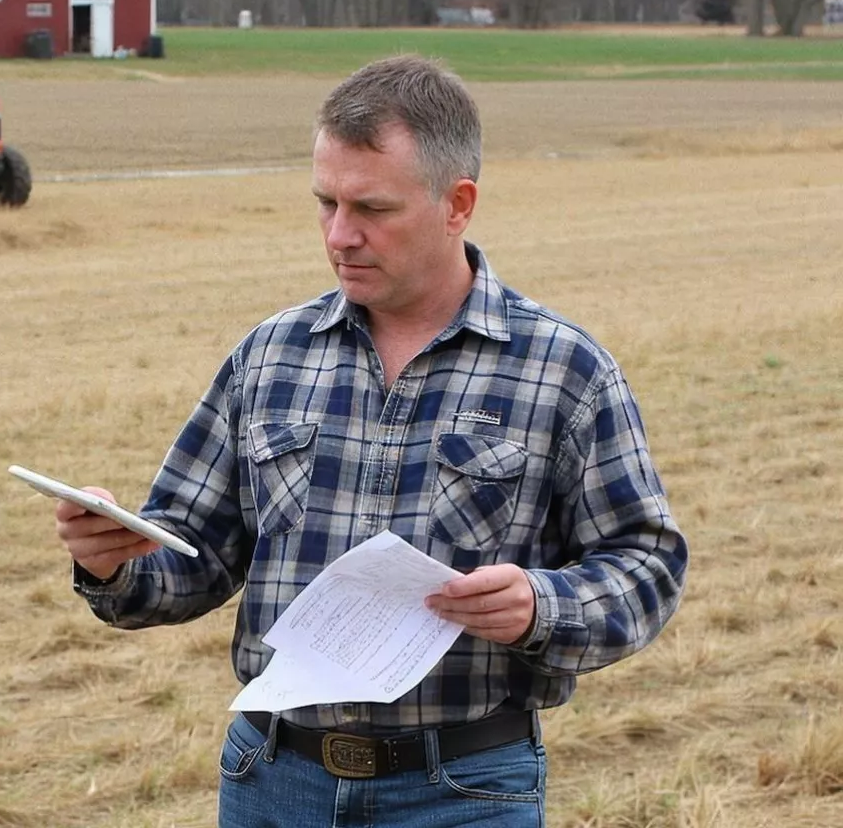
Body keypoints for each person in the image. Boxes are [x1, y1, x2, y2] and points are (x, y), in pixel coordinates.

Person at [53, 54, 688, 827]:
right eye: (325, 202)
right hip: (272, 782)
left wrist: (540, 605)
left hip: (463, 794)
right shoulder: (270, 354)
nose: (340, 234)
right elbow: (193, 559)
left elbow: (647, 565)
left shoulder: (564, 369)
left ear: (458, 205)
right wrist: (113, 562)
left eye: (372, 208)